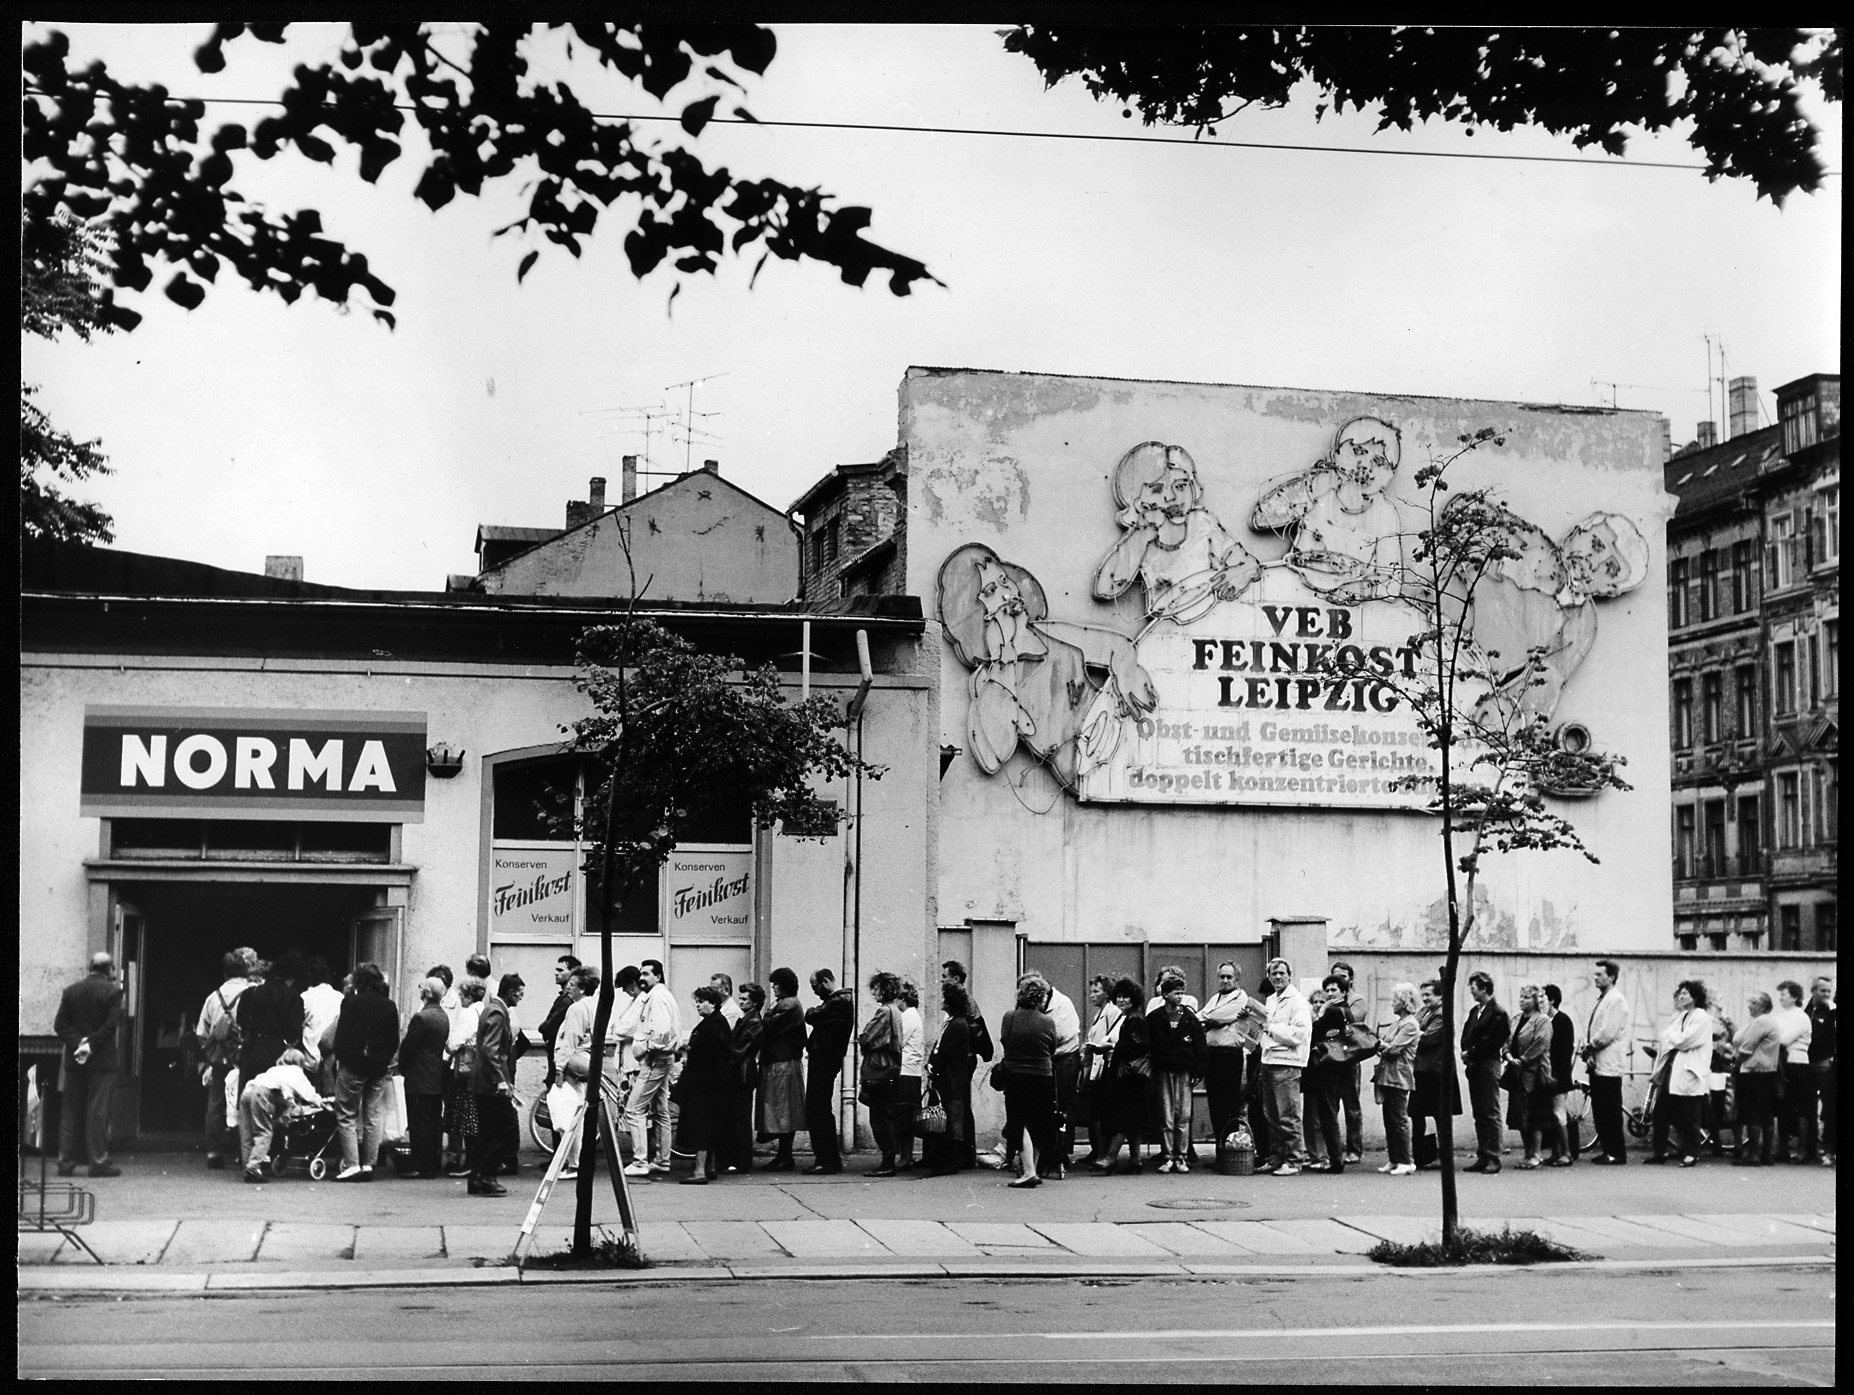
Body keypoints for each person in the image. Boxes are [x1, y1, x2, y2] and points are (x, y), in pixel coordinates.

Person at [54, 951, 126, 1179]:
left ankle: (66, 1162)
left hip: (74, 1060)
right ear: (110, 970)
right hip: (102, 1059)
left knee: (70, 1111)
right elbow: (111, 1025)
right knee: (97, 1111)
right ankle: (99, 1162)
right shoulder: (113, 992)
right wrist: (91, 1044)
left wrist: (78, 1043)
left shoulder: (71, 991)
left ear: (90, 967)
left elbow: (60, 1024)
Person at [332, 961, 400, 1182]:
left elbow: (341, 1038)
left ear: (358, 981)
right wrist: (384, 1059)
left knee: (346, 1113)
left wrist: (343, 1059)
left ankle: (352, 1164)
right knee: (373, 1115)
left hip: (353, 1065)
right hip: (379, 1067)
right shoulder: (389, 1006)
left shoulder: (351, 1003)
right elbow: (393, 1041)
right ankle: (369, 1164)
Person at [195, 947, 256, 1170]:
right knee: (245, 1102)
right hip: (245, 1057)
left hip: (221, 1058)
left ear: (225, 973)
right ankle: (244, 1151)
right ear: (246, 971)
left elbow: (201, 1031)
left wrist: (213, 1050)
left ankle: (213, 1152)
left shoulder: (213, 998)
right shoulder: (254, 992)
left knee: (216, 1104)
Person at [997, 974, 1058, 1188]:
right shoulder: (1048, 1021)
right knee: (1038, 1122)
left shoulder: (1009, 1017)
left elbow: (1005, 1041)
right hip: (1043, 1076)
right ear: (1042, 998)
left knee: (1018, 1122)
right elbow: (1052, 1048)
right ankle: (1033, 1167)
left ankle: (1028, 1170)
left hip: (1016, 1075)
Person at [1146, 968, 1209, 1173]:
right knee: (1166, 1115)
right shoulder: (1155, 1017)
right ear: (1165, 994)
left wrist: (1199, 1070)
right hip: (1163, 1071)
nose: (1180, 996)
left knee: (1183, 1115)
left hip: (1184, 1072)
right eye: (1175, 992)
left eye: (1182, 992)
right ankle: (1167, 1156)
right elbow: (1150, 1045)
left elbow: (1200, 1044)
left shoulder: (1190, 1017)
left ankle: (1180, 1157)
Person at [622, 959, 680, 1178]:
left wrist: (646, 1048)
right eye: (641, 974)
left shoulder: (657, 997)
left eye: (647, 974)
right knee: (661, 1110)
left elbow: (661, 1031)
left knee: (633, 1109)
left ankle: (639, 1161)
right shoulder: (662, 995)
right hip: (664, 1058)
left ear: (658, 976)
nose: (642, 978)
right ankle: (662, 1160)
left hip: (656, 1059)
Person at [468, 972, 524, 1195]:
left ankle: (479, 1177)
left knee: (489, 1131)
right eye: (519, 995)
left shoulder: (493, 1009)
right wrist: (501, 1081)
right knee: (506, 1128)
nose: (520, 999)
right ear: (510, 993)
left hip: (486, 1082)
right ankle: (486, 1175)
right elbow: (491, 1050)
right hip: (491, 1084)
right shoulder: (497, 1012)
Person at [1256, 958, 1312, 1176]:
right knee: (1271, 1116)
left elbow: (1299, 1034)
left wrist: (1272, 1029)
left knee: (1288, 1115)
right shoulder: (1271, 1000)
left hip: (1288, 1064)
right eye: (1273, 973)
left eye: (1281, 973)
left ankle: (1294, 1160)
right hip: (1269, 1061)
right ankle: (1276, 1157)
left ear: (1289, 975)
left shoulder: (1297, 1001)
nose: (1277, 977)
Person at [1647, 980, 1712, 1167]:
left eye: (1685, 994)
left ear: (1695, 997)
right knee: (1660, 1113)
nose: (1681, 997)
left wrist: (1672, 1038)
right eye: (1680, 993)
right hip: (1673, 1071)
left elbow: (1685, 1041)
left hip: (1690, 1072)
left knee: (1690, 1115)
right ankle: (1660, 1152)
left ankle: (1692, 1152)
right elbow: (1666, 1039)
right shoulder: (1682, 1016)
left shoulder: (1701, 1018)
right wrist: (1673, 1038)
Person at [237, 1048, 326, 1181]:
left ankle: (248, 1168)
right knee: (264, 1132)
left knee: (247, 1134)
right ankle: (254, 1168)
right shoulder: (295, 1071)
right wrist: (321, 1103)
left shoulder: (274, 1070)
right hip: (261, 1093)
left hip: (247, 1091)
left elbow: (285, 1095)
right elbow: (307, 1092)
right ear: (300, 1061)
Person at [1091, 977, 1152, 1174]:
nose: (1121, 1000)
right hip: (1129, 1076)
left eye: (1125, 996)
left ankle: (1110, 1158)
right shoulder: (1127, 1017)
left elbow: (1137, 1046)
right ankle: (1136, 1159)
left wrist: (1111, 1046)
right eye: (1118, 996)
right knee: (1132, 1119)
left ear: (1134, 998)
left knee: (1123, 1118)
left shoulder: (1134, 1019)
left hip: (1129, 1077)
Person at [677, 985, 734, 1185]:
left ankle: (700, 1170)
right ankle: (709, 1167)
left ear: (713, 1003)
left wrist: (690, 1050)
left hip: (705, 1083)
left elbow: (709, 1052)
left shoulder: (713, 1024)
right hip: (710, 1083)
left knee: (701, 1126)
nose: (698, 1005)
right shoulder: (715, 1022)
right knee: (708, 1125)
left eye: (701, 1002)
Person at [803, 969, 854, 1174]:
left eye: (815, 987)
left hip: (824, 1060)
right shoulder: (841, 1001)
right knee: (819, 1108)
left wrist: (812, 1011)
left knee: (817, 1109)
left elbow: (813, 1015)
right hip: (825, 1059)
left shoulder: (838, 1001)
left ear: (825, 982)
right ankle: (826, 1158)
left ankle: (826, 1159)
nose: (815, 992)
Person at [398, 976, 450, 1178]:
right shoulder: (443, 1016)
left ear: (427, 993)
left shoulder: (421, 1017)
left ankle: (421, 1165)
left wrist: (402, 1068)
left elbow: (408, 1047)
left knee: (419, 1121)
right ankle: (432, 1162)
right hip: (435, 1074)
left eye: (422, 987)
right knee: (432, 1120)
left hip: (419, 1075)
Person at [857, 971, 907, 1176]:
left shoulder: (884, 1012)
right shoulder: (895, 1010)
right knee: (885, 1115)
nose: (874, 992)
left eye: (876, 988)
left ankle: (887, 1162)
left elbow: (867, 1037)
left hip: (880, 1069)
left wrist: (864, 1038)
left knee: (879, 1117)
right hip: (890, 1068)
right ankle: (889, 1159)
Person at [924, 982, 977, 1176]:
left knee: (952, 1121)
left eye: (945, 998)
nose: (941, 1001)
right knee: (951, 1118)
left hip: (951, 1080)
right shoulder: (955, 1022)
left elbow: (944, 1052)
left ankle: (951, 1162)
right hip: (951, 1078)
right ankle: (948, 1160)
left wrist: (933, 1069)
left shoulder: (956, 1024)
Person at [1460, 971, 1510, 1173]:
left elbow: (1493, 1040)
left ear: (1483, 988)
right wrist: (1465, 1051)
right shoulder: (1475, 1011)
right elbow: (1466, 1033)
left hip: (1488, 1064)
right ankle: (1483, 1154)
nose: (1471, 991)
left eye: (1474, 987)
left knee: (1490, 1111)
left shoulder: (1497, 1011)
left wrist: (1471, 1052)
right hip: (1475, 1064)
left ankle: (1493, 1156)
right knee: (1479, 1112)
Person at [1583, 959, 1632, 1165]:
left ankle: (1616, 1152)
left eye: (1599, 975)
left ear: (1611, 977)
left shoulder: (1615, 1000)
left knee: (1610, 1110)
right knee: (1601, 1110)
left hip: (1609, 1065)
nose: (1595, 978)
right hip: (1599, 1064)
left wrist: (1589, 1047)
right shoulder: (1605, 999)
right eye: (1594, 975)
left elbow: (1607, 1033)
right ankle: (1607, 1149)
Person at [757, 969, 806, 1171]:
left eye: (776, 984)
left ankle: (785, 1156)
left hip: (782, 1063)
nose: (773, 987)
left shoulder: (787, 1004)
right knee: (784, 1110)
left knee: (783, 1110)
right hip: (782, 1061)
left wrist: (766, 1012)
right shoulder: (788, 1003)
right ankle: (783, 1154)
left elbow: (768, 1026)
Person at [1199, 962, 1251, 1150]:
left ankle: (1230, 1151)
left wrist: (1211, 1020)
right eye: (1222, 976)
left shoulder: (1240, 997)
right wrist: (1210, 1019)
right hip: (1212, 1055)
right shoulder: (1215, 998)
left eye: (1229, 977)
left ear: (1237, 978)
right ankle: (1221, 1151)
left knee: (1228, 1105)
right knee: (1215, 1104)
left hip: (1229, 1055)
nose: (1225, 980)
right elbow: (1203, 1016)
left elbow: (1217, 1017)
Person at [234, 959, 307, 1091]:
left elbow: (240, 1022)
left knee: (250, 1094)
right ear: (289, 979)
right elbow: (294, 1031)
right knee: (276, 1098)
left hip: (252, 1051)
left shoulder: (249, 994)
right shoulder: (294, 997)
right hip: (279, 1052)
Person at [1411, 979, 1460, 1169]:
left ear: (1440, 996)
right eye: (1422, 995)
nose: (1424, 999)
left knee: (1440, 1116)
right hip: (1422, 1070)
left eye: (1428, 995)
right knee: (1417, 1113)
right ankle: (1419, 1155)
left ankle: (1443, 1155)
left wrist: (1412, 1032)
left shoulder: (1441, 1015)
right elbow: (1412, 1027)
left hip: (1436, 1071)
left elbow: (1427, 1038)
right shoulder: (1425, 1012)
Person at [1504, 985, 1554, 1169]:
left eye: (1526, 997)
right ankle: (1527, 1153)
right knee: (1520, 1116)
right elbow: (1506, 1040)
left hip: (1534, 1072)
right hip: (1516, 1071)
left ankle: (1536, 1153)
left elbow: (1541, 1042)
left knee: (1534, 1116)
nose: (1522, 1000)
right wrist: (1509, 1057)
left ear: (1535, 1000)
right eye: (1520, 996)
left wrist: (1523, 1060)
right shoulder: (1515, 1019)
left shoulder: (1543, 1020)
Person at [1373, 982, 1420, 1175]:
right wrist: (1381, 1044)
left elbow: (1393, 1049)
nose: (1392, 1004)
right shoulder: (1398, 1022)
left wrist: (1379, 1044)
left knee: (1399, 1119)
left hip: (1399, 1076)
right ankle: (1394, 1158)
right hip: (1387, 1075)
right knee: (1389, 1119)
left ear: (1404, 1003)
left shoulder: (1410, 1024)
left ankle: (1406, 1160)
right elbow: (1386, 1043)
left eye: (1395, 1000)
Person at [1304, 976, 1350, 1174]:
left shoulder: (1334, 1012)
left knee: (1328, 1115)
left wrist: (1321, 1013)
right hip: (1336, 1068)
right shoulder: (1344, 1011)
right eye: (1328, 990)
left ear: (1343, 992)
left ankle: (1336, 1160)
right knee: (1327, 1114)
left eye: (1334, 990)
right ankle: (1334, 1158)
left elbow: (1314, 1032)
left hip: (1329, 1070)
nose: (1330, 993)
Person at [1732, 991, 1782, 1166]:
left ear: (1762, 1005)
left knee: (1753, 1111)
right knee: (1766, 1113)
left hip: (1754, 1071)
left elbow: (1746, 1048)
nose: (1749, 1005)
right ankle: (1766, 1154)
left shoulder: (1761, 1022)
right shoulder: (1768, 1021)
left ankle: (1753, 1154)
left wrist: (1735, 1066)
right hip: (1768, 1072)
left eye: (1753, 1002)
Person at [445, 976, 487, 1176]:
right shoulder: (484, 1010)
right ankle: (475, 1162)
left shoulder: (468, 1014)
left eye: (462, 995)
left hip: (465, 1071)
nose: (460, 999)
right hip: (480, 1070)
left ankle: (470, 1164)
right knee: (476, 1117)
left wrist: (448, 1047)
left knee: (466, 1118)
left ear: (469, 996)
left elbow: (454, 1043)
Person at [1080, 975, 1123, 1165]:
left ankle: (1101, 1153)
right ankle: (1096, 1151)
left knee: (1100, 1113)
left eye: (1096, 991)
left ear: (1107, 993)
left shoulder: (1112, 1012)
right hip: (1094, 1068)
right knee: (1094, 1112)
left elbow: (1112, 1039)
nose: (1091, 996)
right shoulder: (1100, 1013)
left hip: (1105, 1068)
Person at [1041, 977, 1084, 1170]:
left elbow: (1059, 1035)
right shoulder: (1039, 1004)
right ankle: (1048, 1150)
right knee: (1047, 1105)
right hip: (1047, 1058)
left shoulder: (1062, 1004)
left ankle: (1063, 1152)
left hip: (1065, 1057)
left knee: (1065, 1104)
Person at [1329, 960, 1368, 1164]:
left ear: (1350, 979)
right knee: (1331, 1105)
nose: (1338, 980)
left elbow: (1350, 1023)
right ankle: (1333, 1149)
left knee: (1352, 1107)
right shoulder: (1330, 998)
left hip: (1350, 1058)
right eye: (1335, 975)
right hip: (1332, 1057)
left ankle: (1354, 1149)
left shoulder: (1357, 999)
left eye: (1342, 976)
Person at [1770, 980, 1813, 1163]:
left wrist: (1773, 1038)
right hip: (1782, 1065)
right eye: (1779, 994)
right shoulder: (1779, 1017)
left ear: (1795, 997)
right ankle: (1783, 1149)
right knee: (1782, 1107)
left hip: (1797, 1064)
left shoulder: (1801, 1017)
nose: (1780, 997)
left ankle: (1803, 1150)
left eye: (1784, 994)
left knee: (1800, 1108)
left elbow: (1784, 1039)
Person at [726, 982, 765, 1173]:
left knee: (740, 1117)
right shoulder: (749, 1019)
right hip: (743, 1069)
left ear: (755, 1002)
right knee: (737, 1116)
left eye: (744, 999)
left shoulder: (754, 1021)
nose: (740, 1002)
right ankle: (739, 1159)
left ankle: (741, 1160)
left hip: (743, 1071)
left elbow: (739, 1049)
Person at [1541, 984, 1578, 1165]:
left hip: (1558, 1076)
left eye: (1543, 998)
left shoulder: (1562, 1021)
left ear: (1552, 1000)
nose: (1540, 1001)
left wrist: (1556, 1074)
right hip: (1547, 1075)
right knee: (1550, 1116)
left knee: (1558, 1114)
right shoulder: (1544, 1021)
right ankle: (1556, 1152)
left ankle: (1567, 1153)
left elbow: (1564, 1052)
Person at [894, 978, 926, 1170]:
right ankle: (906, 1155)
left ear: (903, 999)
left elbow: (897, 1042)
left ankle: (905, 1156)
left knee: (902, 1117)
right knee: (906, 1117)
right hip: (911, 1072)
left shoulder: (907, 1017)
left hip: (905, 1071)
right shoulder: (913, 1016)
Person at [536, 954, 581, 1090]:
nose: (556, 973)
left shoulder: (567, 1001)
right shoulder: (563, 998)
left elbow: (548, 1027)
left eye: (561, 970)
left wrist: (543, 1028)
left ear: (572, 972)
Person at [297, 957, 343, 1081]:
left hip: (309, 1059)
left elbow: (298, 1026)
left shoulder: (305, 998)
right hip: (333, 1062)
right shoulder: (339, 997)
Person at [1806, 977, 1835, 1167]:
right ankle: (1809, 1149)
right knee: (1807, 1107)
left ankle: (1827, 1148)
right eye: (1823, 990)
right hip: (1807, 1064)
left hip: (1825, 1064)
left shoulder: (1832, 1011)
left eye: (1828, 991)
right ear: (1813, 991)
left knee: (1828, 1108)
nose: (1826, 994)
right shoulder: (1806, 1010)